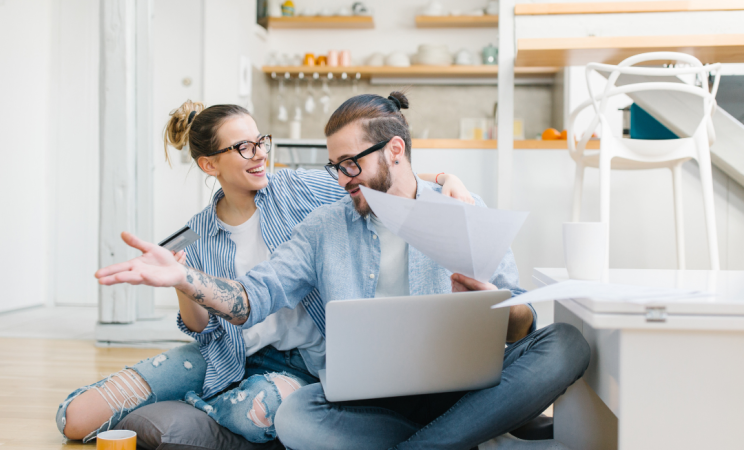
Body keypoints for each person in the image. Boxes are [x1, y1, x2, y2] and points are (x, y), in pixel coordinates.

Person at [94, 92, 591, 450]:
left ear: (395, 150)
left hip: (463, 387)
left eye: (350, 164)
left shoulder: (462, 209)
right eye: (335, 166)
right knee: (297, 417)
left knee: (565, 343)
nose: (341, 178)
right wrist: (186, 280)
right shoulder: (322, 227)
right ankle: (472, 437)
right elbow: (251, 298)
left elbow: (521, 317)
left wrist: (491, 304)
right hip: (377, 404)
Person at [57, 99, 474, 444]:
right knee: (76, 418)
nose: (259, 154)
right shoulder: (197, 232)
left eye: (260, 142)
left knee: (255, 414)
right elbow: (202, 328)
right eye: (243, 147)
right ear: (209, 165)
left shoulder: (298, 188)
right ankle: (191, 404)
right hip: (230, 355)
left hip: (303, 363)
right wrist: (182, 282)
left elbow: (371, 176)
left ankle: (191, 410)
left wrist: (443, 178)